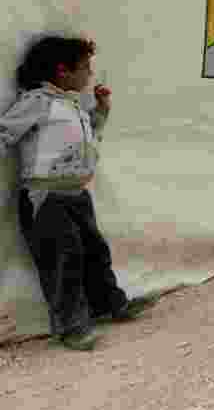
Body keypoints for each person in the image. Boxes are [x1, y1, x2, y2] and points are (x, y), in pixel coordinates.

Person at [1, 37, 157, 350]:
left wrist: (100, 110)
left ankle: (109, 305)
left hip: (76, 194)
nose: (89, 75)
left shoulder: (70, 104)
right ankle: (70, 327)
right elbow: (6, 132)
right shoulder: (37, 101)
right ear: (62, 71)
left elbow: (88, 139)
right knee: (63, 259)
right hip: (45, 198)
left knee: (95, 252)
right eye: (84, 68)